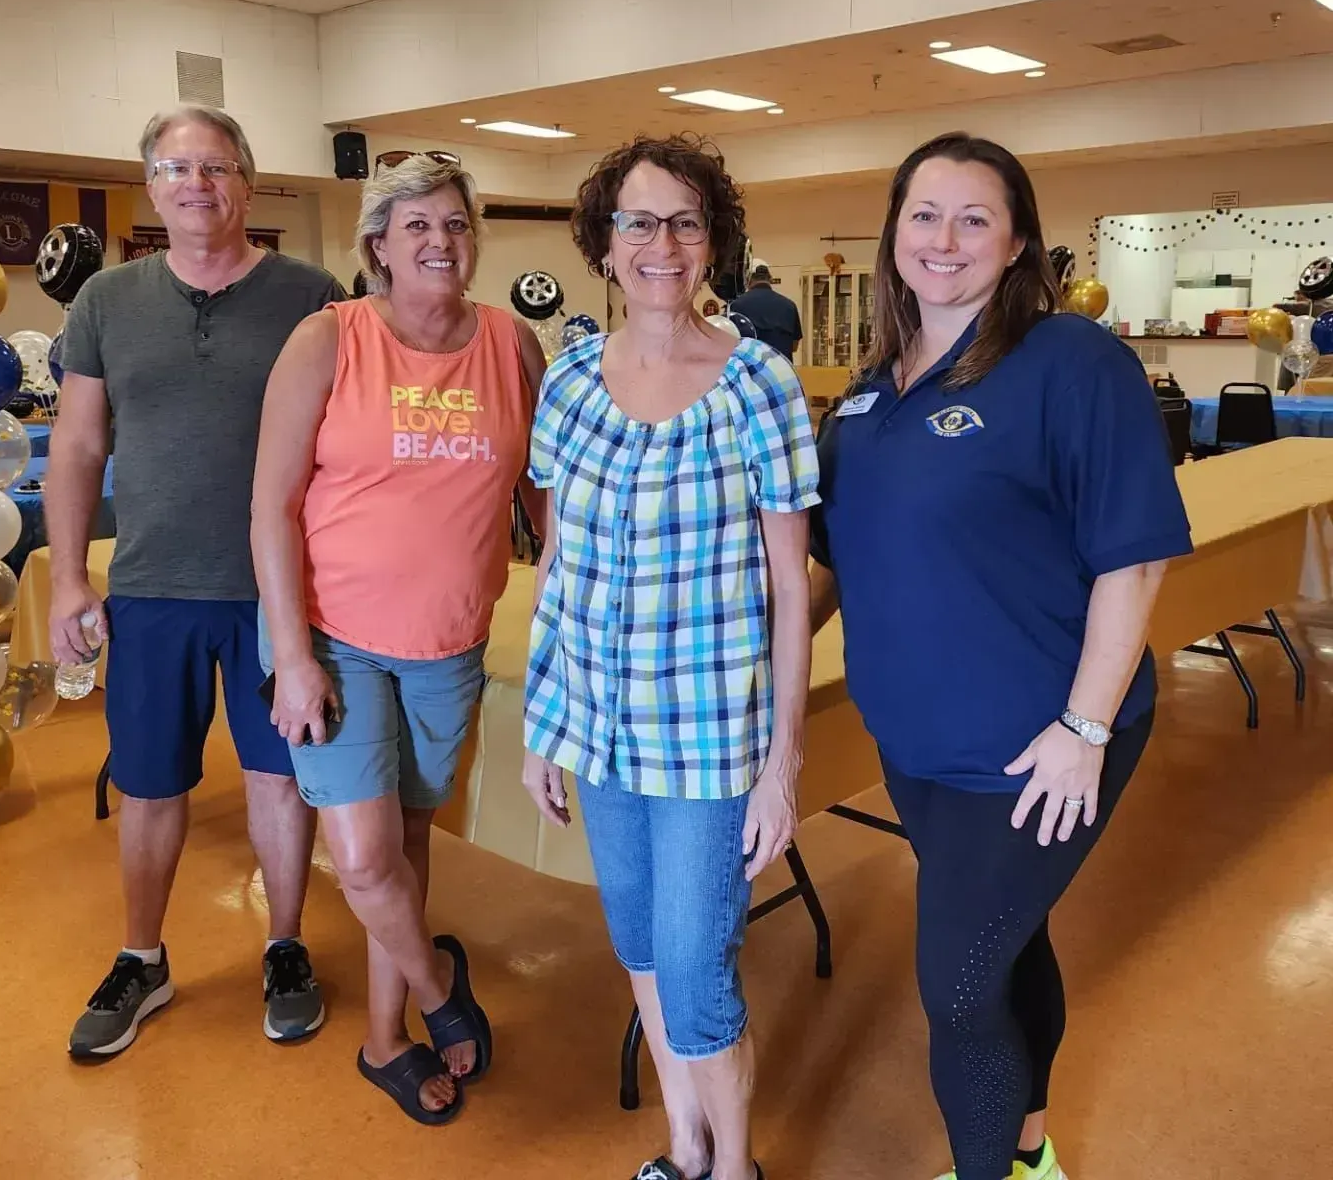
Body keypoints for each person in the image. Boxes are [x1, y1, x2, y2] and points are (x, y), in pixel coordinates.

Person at [810, 132, 1192, 1180]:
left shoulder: (1071, 362)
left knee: (962, 989)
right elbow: (838, 563)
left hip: (1039, 743)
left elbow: (1137, 561)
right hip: (921, 746)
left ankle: (993, 1172)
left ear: (1018, 240)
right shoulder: (868, 394)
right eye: (924, 214)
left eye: (974, 217)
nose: (945, 239)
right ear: (893, 235)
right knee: (1006, 942)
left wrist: (1083, 729)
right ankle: (1031, 1148)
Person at [522, 135, 818, 1180]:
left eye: (685, 221)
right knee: (640, 949)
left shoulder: (757, 385)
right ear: (604, 243)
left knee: (697, 975)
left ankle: (735, 1168)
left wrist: (782, 765)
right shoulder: (565, 385)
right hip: (599, 733)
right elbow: (561, 563)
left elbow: (793, 590)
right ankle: (685, 1146)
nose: (662, 243)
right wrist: (544, 727)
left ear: (714, 242)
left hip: (706, 746)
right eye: (638, 222)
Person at [250, 154, 546, 1125]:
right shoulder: (328, 339)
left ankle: (385, 1044)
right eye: (414, 225)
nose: (438, 241)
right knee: (368, 860)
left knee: (411, 842)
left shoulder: (511, 345)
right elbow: (271, 507)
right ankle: (437, 994)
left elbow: (545, 503)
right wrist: (292, 657)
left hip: (449, 643)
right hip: (333, 642)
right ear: (378, 244)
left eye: (454, 224)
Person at [49, 104, 346, 1059]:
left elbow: (345, 449)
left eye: (215, 168)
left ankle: (286, 945)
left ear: (247, 185)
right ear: (152, 188)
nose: (197, 185)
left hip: (277, 594)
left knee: (279, 779)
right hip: (151, 586)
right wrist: (65, 582)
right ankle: (143, 957)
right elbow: (77, 448)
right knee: (148, 785)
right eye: (176, 170)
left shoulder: (312, 296)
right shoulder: (105, 302)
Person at [728, 261, 802, 361]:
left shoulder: (736, 305)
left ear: (748, 279)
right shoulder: (790, 306)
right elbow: (794, 346)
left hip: (749, 372)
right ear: (770, 278)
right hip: (782, 372)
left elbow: (730, 345)